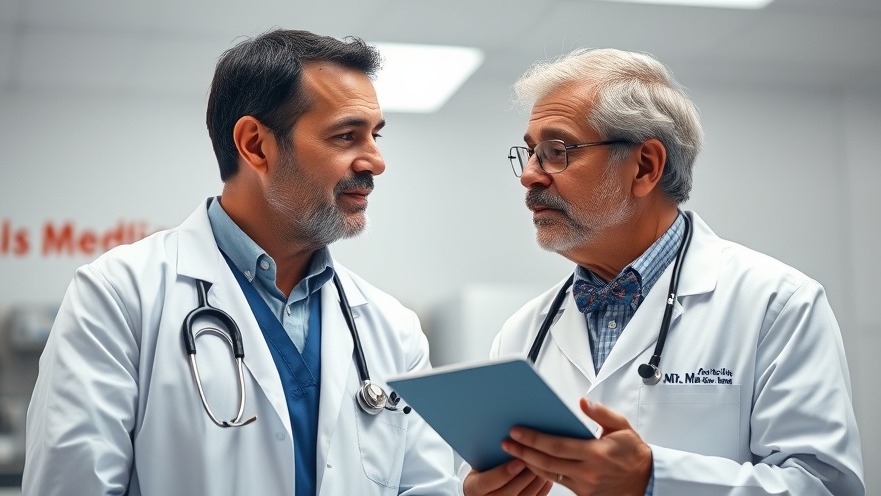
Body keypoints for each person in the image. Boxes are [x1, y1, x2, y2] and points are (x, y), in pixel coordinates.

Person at [23, 29, 457, 495]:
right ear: (255, 145)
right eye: (346, 136)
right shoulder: (119, 296)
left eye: (375, 136)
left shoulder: (394, 328)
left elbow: (428, 488)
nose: (375, 161)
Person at [462, 48, 864, 496]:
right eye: (531, 152)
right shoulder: (522, 334)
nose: (530, 176)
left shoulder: (776, 303)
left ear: (646, 166)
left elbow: (825, 486)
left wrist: (653, 479)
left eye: (557, 151)